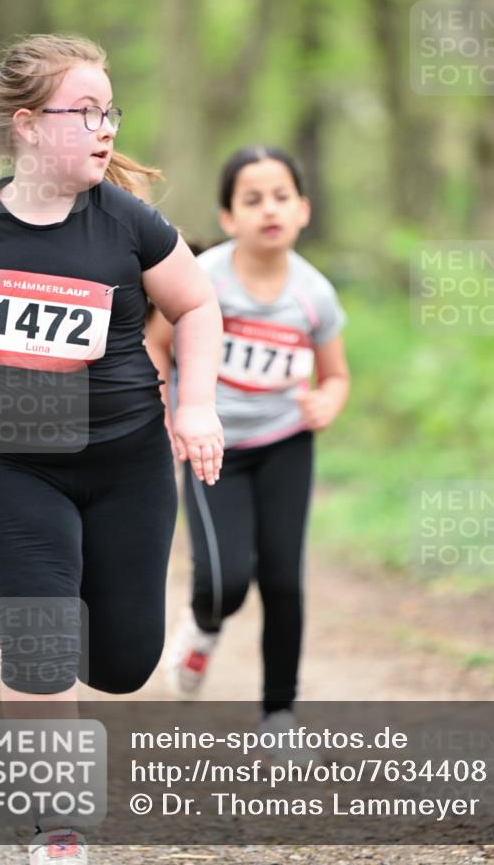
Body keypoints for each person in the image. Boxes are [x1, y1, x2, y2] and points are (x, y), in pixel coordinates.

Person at [0, 34, 224, 862]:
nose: (106, 128)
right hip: (14, 462)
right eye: (86, 112)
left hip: (127, 462)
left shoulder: (129, 222)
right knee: (41, 635)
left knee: (123, 663)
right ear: (28, 125)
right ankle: (56, 826)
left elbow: (199, 308)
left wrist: (195, 406)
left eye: (111, 112)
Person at [146, 144, 350, 741]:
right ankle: (204, 624)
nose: (270, 209)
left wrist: (327, 402)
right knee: (225, 580)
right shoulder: (204, 278)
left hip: (286, 442)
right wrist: (170, 410)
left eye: (281, 197)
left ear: (303, 210)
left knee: (284, 580)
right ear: (229, 217)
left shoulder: (315, 295)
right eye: (252, 199)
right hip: (215, 445)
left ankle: (279, 714)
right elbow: (158, 344)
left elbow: (335, 374)